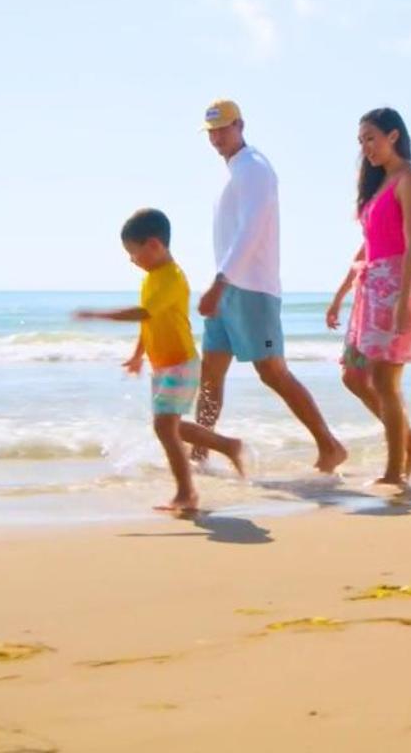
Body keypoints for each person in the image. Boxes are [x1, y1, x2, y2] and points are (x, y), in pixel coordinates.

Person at [195, 100, 348, 473]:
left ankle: (330, 446)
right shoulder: (232, 172)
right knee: (210, 372)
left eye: (223, 129)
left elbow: (252, 230)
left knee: (272, 372)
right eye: (211, 131)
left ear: (240, 125)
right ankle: (198, 455)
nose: (216, 137)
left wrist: (220, 282)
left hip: (250, 288)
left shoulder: (255, 168)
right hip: (228, 287)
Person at [74, 208, 248, 514]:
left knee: (164, 427)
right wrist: (137, 355)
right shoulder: (151, 278)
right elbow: (150, 321)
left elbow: (142, 313)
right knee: (172, 427)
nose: (132, 259)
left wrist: (97, 314)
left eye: (133, 252)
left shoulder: (171, 277)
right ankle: (228, 445)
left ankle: (186, 493)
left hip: (181, 362)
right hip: (163, 364)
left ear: (153, 245)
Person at [331, 107, 411, 486]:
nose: (366, 148)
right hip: (371, 289)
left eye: (371, 138)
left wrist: (404, 301)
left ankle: (395, 472)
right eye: (361, 142)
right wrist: (341, 293)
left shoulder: (410, 179)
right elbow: (368, 243)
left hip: (399, 285)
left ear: (393, 136)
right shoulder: (379, 185)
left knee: (386, 383)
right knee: (353, 376)